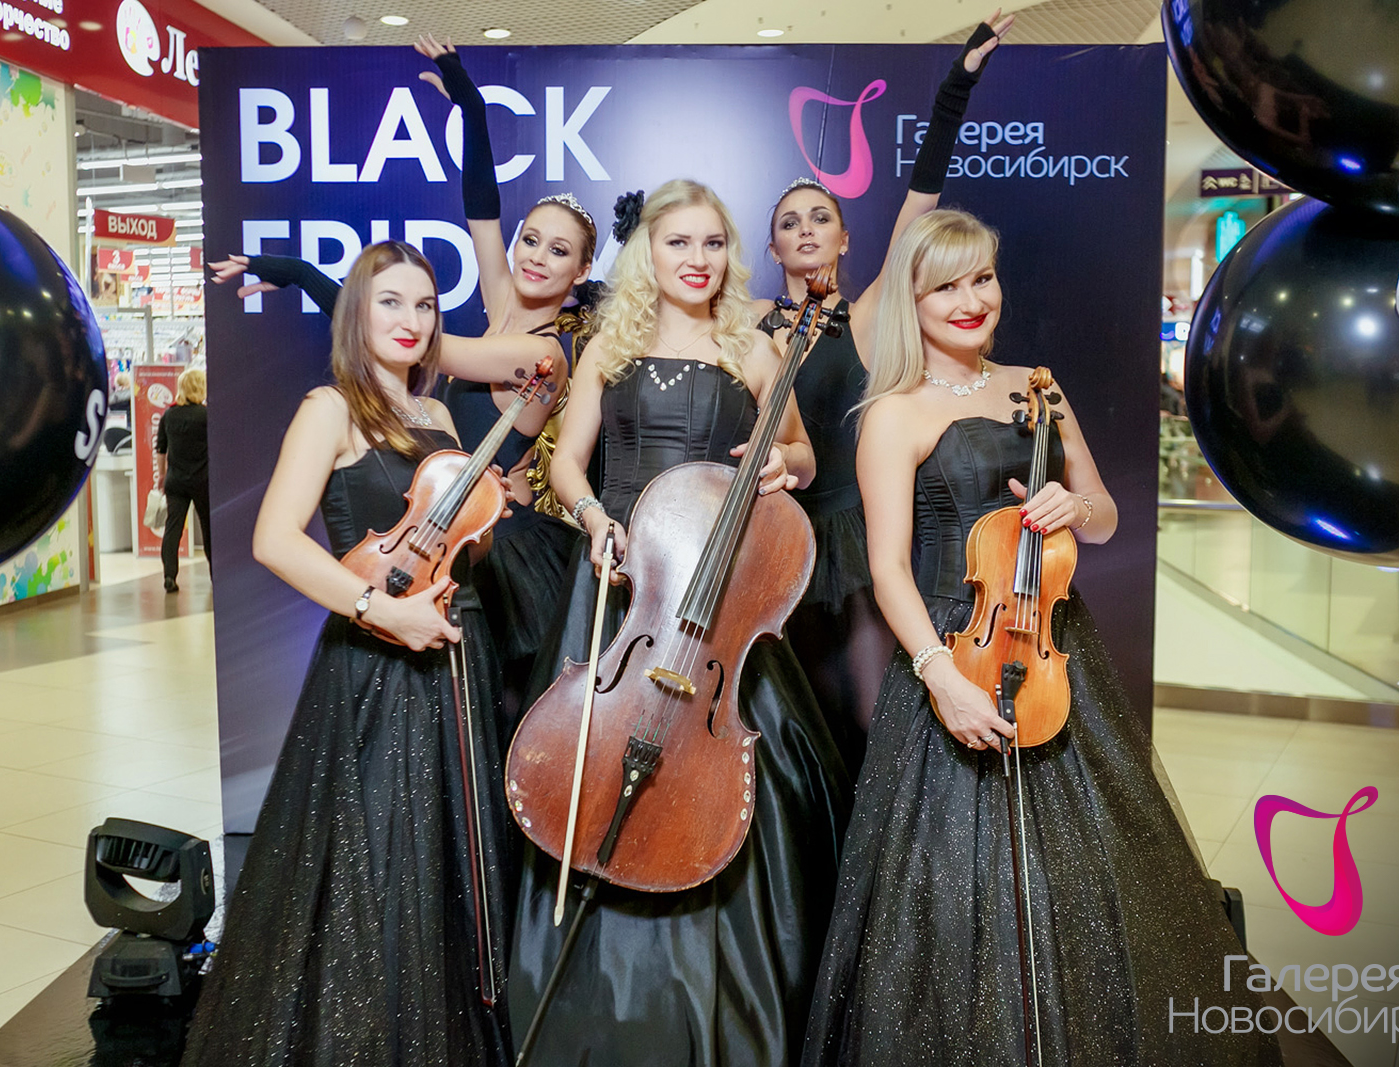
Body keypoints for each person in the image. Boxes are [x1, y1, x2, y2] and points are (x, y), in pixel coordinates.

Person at [801, 211, 1281, 1066]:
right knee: (953, 891)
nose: (970, 299)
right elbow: (888, 569)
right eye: (945, 286)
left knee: (1089, 882)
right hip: (950, 653)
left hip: (1053, 647)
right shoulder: (893, 413)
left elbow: (1105, 515)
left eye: (981, 278)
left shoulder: (1037, 386)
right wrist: (942, 678)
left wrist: (1072, 503)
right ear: (913, 300)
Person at [508, 179, 849, 1067]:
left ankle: (718, 999)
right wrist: (593, 516)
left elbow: (804, 454)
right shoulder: (607, 348)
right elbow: (568, 465)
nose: (697, 260)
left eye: (712, 243)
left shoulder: (755, 347)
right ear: (647, 254)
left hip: (720, 596)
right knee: (583, 769)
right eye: (678, 243)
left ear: (729, 255)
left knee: (739, 777)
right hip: (624, 584)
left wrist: (782, 461)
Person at [181, 242, 514, 1067]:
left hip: (452, 663)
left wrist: (483, 525)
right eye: (390, 302)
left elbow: (450, 547)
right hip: (374, 669)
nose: (411, 320)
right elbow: (273, 539)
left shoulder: (437, 418)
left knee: (441, 870)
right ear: (355, 312)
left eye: (425, 305)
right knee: (378, 870)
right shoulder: (330, 408)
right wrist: (382, 608)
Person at [210, 34, 591, 726]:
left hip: (496, 547)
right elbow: (482, 207)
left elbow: (415, 341)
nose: (536, 256)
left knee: (498, 719)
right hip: (440, 529)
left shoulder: (542, 354)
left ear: (580, 272)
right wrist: (471, 108)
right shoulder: (501, 302)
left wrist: (300, 273)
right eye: (530, 239)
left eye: (559, 250)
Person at [752, 12, 1011, 775]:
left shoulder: (863, 318)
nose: (806, 229)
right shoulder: (746, 329)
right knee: (786, 726)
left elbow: (920, 201)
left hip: (856, 540)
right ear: (771, 247)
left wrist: (957, 88)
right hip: (773, 540)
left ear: (846, 240)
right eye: (789, 222)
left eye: (821, 218)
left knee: (869, 715)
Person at [155, 366, 210, 592]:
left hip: (175, 481)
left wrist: (161, 475)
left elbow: (161, 449)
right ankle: (215, 574)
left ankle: (169, 575)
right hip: (203, 480)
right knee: (208, 528)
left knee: (173, 529)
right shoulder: (207, 416)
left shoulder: (169, 415)